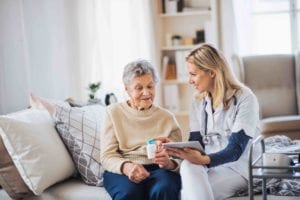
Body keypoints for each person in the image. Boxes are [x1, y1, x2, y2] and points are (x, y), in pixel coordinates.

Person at [163, 44, 260, 200]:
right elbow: (196, 143)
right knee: (188, 166)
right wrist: (174, 148)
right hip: (209, 164)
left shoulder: (245, 98)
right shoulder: (197, 101)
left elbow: (235, 150)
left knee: (188, 194)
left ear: (212, 73)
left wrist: (203, 160)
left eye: (193, 74)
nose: (190, 81)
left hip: (238, 167)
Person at [100, 59, 182, 200]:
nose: (146, 93)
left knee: (164, 190)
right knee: (129, 194)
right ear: (127, 89)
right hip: (124, 168)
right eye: (139, 88)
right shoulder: (113, 113)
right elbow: (107, 156)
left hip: (159, 169)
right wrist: (127, 167)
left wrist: (169, 162)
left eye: (150, 86)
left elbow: (180, 156)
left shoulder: (167, 118)